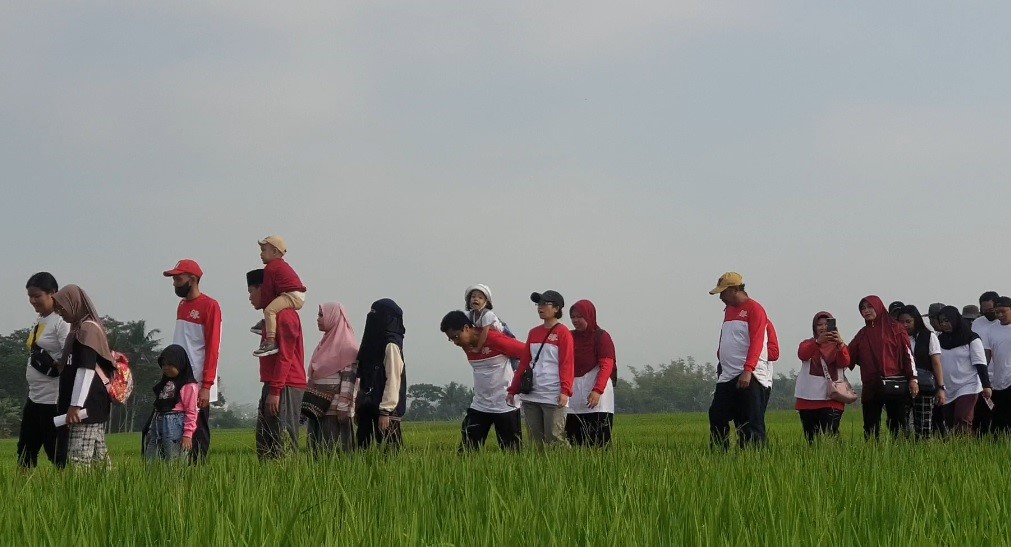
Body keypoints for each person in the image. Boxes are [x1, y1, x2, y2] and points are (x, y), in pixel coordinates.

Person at [707, 273, 777, 450]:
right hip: (727, 374)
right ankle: (719, 453)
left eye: (723, 292)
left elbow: (757, 342)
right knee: (717, 415)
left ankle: (753, 456)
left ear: (735, 289)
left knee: (750, 421)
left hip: (749, 374)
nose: (721, 297)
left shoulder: (755, 309)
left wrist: (748, 370)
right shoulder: (729, 310)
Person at [162, 259, 221, 463]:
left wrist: (206, 385)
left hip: (197, 382)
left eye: (178, 279)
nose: (175, 284)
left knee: (197, 433)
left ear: (193, 279)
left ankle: (198, 474)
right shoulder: (181, 305)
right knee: (176, 432)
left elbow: (213, 348)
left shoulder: (210, 306)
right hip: (178, 379)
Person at [440, 310, 525, 451]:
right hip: (480, 404)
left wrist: (521, 378)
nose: (455, 342)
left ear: (466, 328)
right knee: (467, 450)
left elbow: (526, 352)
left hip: (505, 404)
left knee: (512, 451)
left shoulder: (494, 339)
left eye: (456, 337)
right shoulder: (466, 345)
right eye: (451, 339)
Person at [246, 269, 307, 459]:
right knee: (265, 443)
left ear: (263, 289)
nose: (249, 297)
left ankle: (288, 478)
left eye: (251, 291)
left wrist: (275, 391)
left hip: (285, 385)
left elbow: (285, 356)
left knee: (283, 442)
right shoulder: (270, 319)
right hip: (274, 384)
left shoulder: (285, 316)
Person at [52, 285, 114, 469]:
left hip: (86, 407)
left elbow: (86, 370)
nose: (59, 312)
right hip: (85, 406)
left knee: (78, 461)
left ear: (74, 304)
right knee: (98, 462)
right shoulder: (78, 330)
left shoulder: (88, 330)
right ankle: (111, 487)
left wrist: (75, 405)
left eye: (62, 307)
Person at [507, 290, 575, 448]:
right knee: (535, 442)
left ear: (556, 308)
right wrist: (513, 389)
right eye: (539, 304)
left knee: (555, 439)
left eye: (545, 304)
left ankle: (569, 463)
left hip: (553, 394)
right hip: (532, 394)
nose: (540, 307)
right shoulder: (534, 333)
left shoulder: (563, 332)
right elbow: (524, 364)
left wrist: (565, 390)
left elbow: (567, 363)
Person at [18, 272, 70, 469]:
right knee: (25, 450)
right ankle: (21, 486)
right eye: (30, 296)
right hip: (34, 397)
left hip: (53, 400)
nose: (33, 301)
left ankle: (66, 484)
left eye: (37, 296)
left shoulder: (61, 322)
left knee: (55, 451)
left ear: (52, 293)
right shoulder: (40, 320)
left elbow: (69, 358)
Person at [849, 296, 917, 440]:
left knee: (897, 424)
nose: (866, 311)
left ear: (878, 306)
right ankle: (873, 451)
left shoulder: (896, 328)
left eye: (870, 307)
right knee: (870, 426)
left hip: (894, 382)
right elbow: (848, 356)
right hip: (871, 385)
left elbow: (907, 355)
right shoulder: (863, 333)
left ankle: (899, 450)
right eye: (863, 308)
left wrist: (913, 378)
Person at [306, 302, 359, 454]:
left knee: (335, 451)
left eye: (321, 315)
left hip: (335, 412)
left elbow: (349, 380)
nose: (318, 319)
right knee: (317, 453)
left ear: (333, 317)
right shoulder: (323, 345)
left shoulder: (348, 347)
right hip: (317, 408)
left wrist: (343, 407)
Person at [356, 299, 407, 450]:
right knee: (361, 451)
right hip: (368, 406)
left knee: (389, 454)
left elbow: (393, 379)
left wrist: (386, 411)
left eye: (376, 314)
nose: (372, 316)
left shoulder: (391, 345)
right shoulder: (370, 344)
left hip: (386, 411)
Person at [794, 312, 851, 443]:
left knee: (831, 437)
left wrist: (840, 344)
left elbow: (844, 362)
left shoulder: (839, 346)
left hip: (832, 398)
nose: (823, 327)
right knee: (811, 439)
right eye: (819, 325)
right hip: (808, 400)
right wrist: (817, 342)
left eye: (827, 324)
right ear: (814, 327)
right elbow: (803, 355)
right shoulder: (807, 344)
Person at [566, 300, 616, 447]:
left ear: (589, 316)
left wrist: (597, 390)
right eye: (573, 317)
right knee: (575, 440)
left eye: (579, 316)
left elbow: (607, 365)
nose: (575, 320)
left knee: (598, 441)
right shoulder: (569, 336)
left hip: (597, 392)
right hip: (574, 393)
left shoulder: (601, 336)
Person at [936, 305, 990, 435]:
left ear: (955, 320)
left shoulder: (972, 338)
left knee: (962, 418)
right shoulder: (939, 340)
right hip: (947, 387)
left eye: (947, 321)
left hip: (968, 385)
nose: (944, 324)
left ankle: (964, 444)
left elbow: (980, 364)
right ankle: (956, 445)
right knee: (950, 421)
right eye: (941, 321)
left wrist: (986, 386)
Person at [896, 305, 946, 438]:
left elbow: (936, 363)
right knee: (901, 425)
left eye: (908, 321)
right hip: (902, 386)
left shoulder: (929, 336)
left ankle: (923, 449)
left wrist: (941, 387)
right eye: (901, 322)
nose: (905, 325)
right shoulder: (896, 338)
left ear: (916, 320)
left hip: (925, 386)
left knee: (923, 426)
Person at [253, 236, 307, 357]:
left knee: (269, 310)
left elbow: (267, 291)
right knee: (273, 308)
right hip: (294, 294)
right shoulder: (279, 265)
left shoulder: (271, 268)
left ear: (274, 251)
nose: (261, 254)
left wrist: (262, 305)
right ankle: (268, 323)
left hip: (292, 295)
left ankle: (271, 341)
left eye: (263, 250)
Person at [144, 345, 198, 462]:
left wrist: (187, 434)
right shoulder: (165, 383)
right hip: (158, 421)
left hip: (174, 422)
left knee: (174, 458)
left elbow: (191, 412)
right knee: (152, 457)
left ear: (179, 364)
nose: (166, 368)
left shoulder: (188, 386)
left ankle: (175, 475)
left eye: (170, 364)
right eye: (163, 365)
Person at [970, 291, 999, 435]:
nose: (988, 313)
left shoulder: (1003, 323)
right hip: (982, 377)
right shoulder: (977, 323)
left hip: (1001, 377)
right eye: (985, 310)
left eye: (991, 310)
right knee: (981, 414)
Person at [988, 297, 1011, 435]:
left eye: (1003, 311)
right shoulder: (992, 329)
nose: (1000, 315)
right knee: (999, 418)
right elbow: (987, 354)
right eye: (997, 312)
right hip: (998, 380)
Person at [464, 284, 505, 351]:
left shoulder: (487, 315)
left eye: (480, 298)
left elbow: (484, 334)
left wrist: (477, 348)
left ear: (486, 302)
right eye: (473, 297)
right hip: (490, 336)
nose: (476, 299)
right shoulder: (470, 315)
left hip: (502, 332)